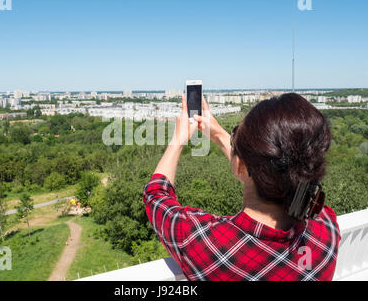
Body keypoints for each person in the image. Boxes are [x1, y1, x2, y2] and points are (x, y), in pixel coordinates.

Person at [143, 93, 341, 281]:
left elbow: (156, 195)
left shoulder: (210, 246)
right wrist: (219, 134)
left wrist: (178, 140)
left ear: (240, 166)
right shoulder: (325, 232)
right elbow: (280, 176)